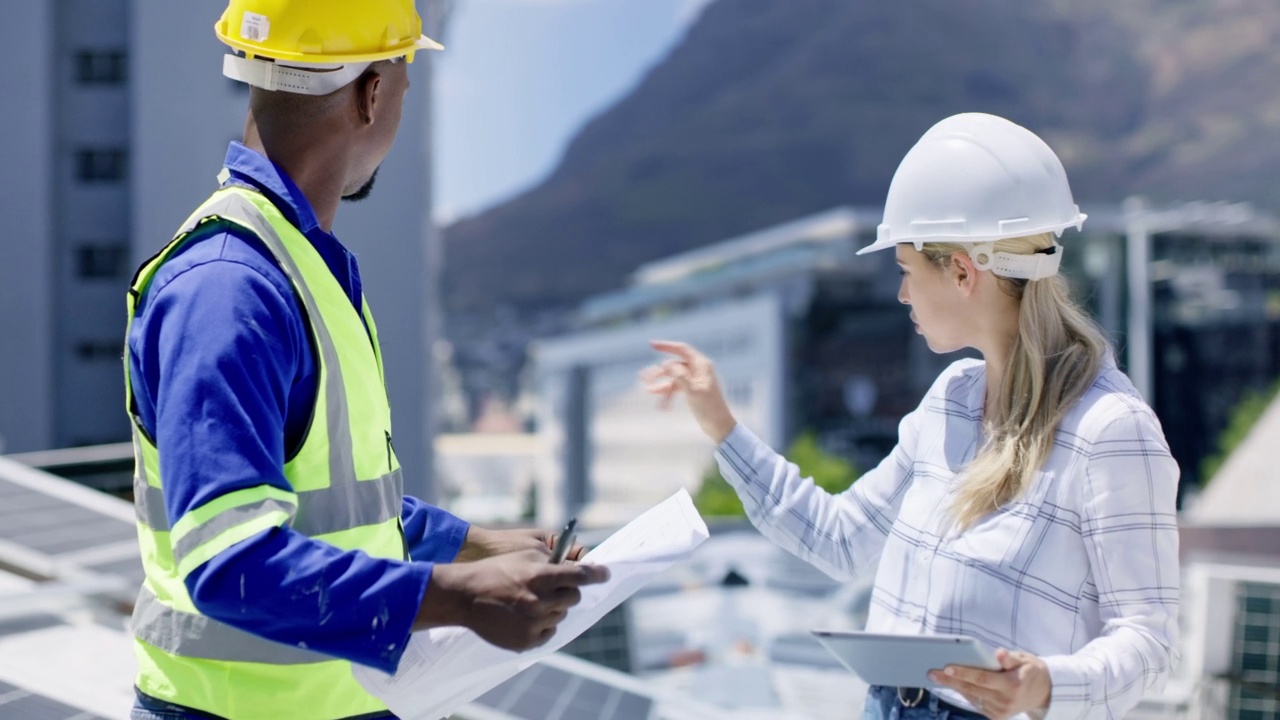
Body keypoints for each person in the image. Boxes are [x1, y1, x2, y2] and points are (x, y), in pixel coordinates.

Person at [124, 2, 607, 719]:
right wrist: (455, 597)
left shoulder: (293, 268)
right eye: (405, 85)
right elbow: (228, 562)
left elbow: (327, 503)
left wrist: (470, 545)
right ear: (373, 91)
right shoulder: (229, 288)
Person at [642, 113, 1179, 720]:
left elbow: (1149, 640)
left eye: (905, 269)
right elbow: (841, 539)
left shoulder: (1111, 430)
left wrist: (1045, 685)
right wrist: (721, 426)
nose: (901, 294)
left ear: (960, 270)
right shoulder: (950, 401)